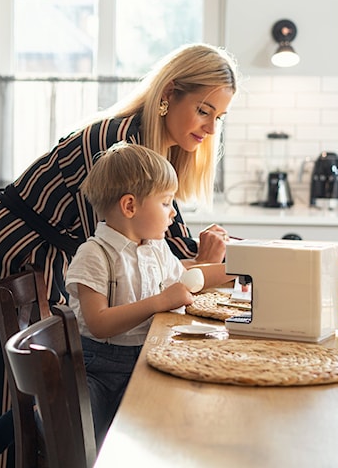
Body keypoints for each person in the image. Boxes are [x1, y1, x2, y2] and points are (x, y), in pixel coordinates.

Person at [0, 43, 238, 468]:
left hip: (55, 257)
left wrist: (218, 261)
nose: (211, 128)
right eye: (204, 110)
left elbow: (166, 247)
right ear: (168, 94)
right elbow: (145, 243)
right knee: (9, 393)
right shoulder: (119, 145)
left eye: (218, 117)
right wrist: (209, 262)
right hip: (15, 253)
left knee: (48, 407)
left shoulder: (153, 149)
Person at [65, 142, 202, 448]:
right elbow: (98, 323)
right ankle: (39, 418)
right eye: (166, 203)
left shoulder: (155, 249)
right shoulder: (94, 254)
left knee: (161, 421)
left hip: (144, 359)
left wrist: (236, 267)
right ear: (130, 206)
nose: (171, 214)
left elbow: (187, 279)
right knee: (87, 431)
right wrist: (160, 301)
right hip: (98, 368)